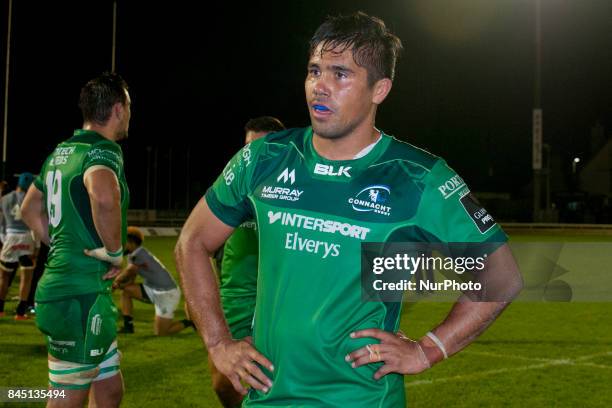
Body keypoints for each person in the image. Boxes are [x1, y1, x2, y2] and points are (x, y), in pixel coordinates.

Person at [176, 12, 522, 407]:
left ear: (380, 89)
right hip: (268, 396)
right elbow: (192, 242)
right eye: (314, 71)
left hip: (361, 398)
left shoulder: (416, 177)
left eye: (340, 74)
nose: (319, 87)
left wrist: (428, 349)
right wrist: (218, 342)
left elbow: (501, 276)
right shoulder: (264, 158)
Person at [21, 72, 131, 408]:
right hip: (76, 295)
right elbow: (103, 197)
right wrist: (114, 252)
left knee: (110, 392)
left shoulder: (61, 151)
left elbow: (29, 209)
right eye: (129, 107)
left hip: (85, 290)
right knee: (67, 398)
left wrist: (58, 245)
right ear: (118, 109)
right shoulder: (103, 151)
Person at [209, 116, 285, 408]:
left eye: (261, 148)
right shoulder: (232, 189)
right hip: (234, 305)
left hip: (277, 309)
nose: (251, 156)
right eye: (246, 149)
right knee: (225, 387)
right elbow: (193, 245)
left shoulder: (300, 195)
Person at [113, 226, 194, 335]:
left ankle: (191, 322)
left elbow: (128, 272)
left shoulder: (139, 255)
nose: (122, 246)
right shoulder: (134, 255)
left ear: (131, 242)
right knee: (127, 291)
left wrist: (115, 283)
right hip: (152, 289)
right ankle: (128, 327)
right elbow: (129, 280)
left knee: (161, 333)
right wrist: (119, 285)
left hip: (167, 294)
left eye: (124, 243)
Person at [0, 172, 36, 319]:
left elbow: (1, 224)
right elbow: (35, 224)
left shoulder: (4, 199)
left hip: (10, 237)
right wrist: (37, 245)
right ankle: (20, 312)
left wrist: (3, 240)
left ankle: (0, 309)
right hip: (27, 238)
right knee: (26, 277)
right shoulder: (32, 200)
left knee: (4, 276)